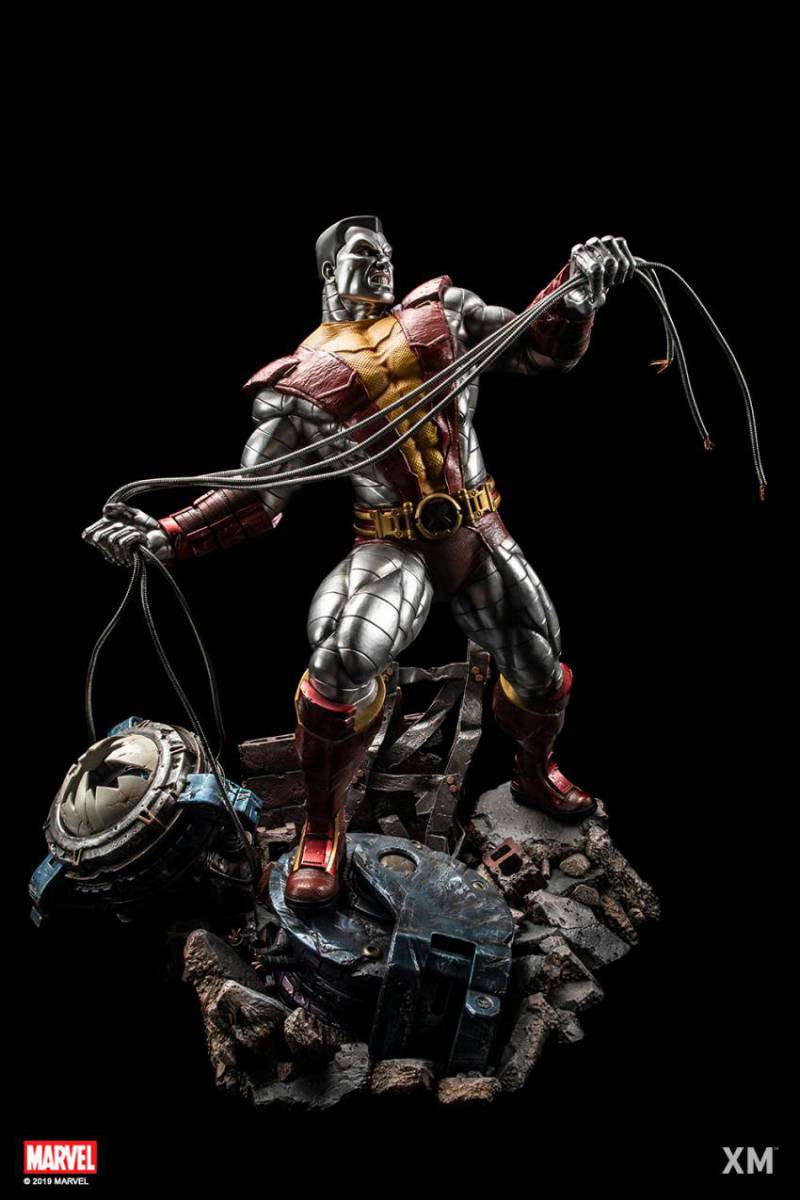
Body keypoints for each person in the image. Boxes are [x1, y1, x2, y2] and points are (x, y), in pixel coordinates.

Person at [83, 215, 636, 909]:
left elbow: (539, 350)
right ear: (328, 271)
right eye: (364, 254)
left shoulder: (444, 314)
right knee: (340, 662)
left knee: (540, 667)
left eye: (387, 254)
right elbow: (257, 493)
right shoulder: (301, 380)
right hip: (391, 544)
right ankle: (321, 826)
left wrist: (575, 299)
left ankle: (534, 772)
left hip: (478, 529)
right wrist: (167, 534)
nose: (382, 264)